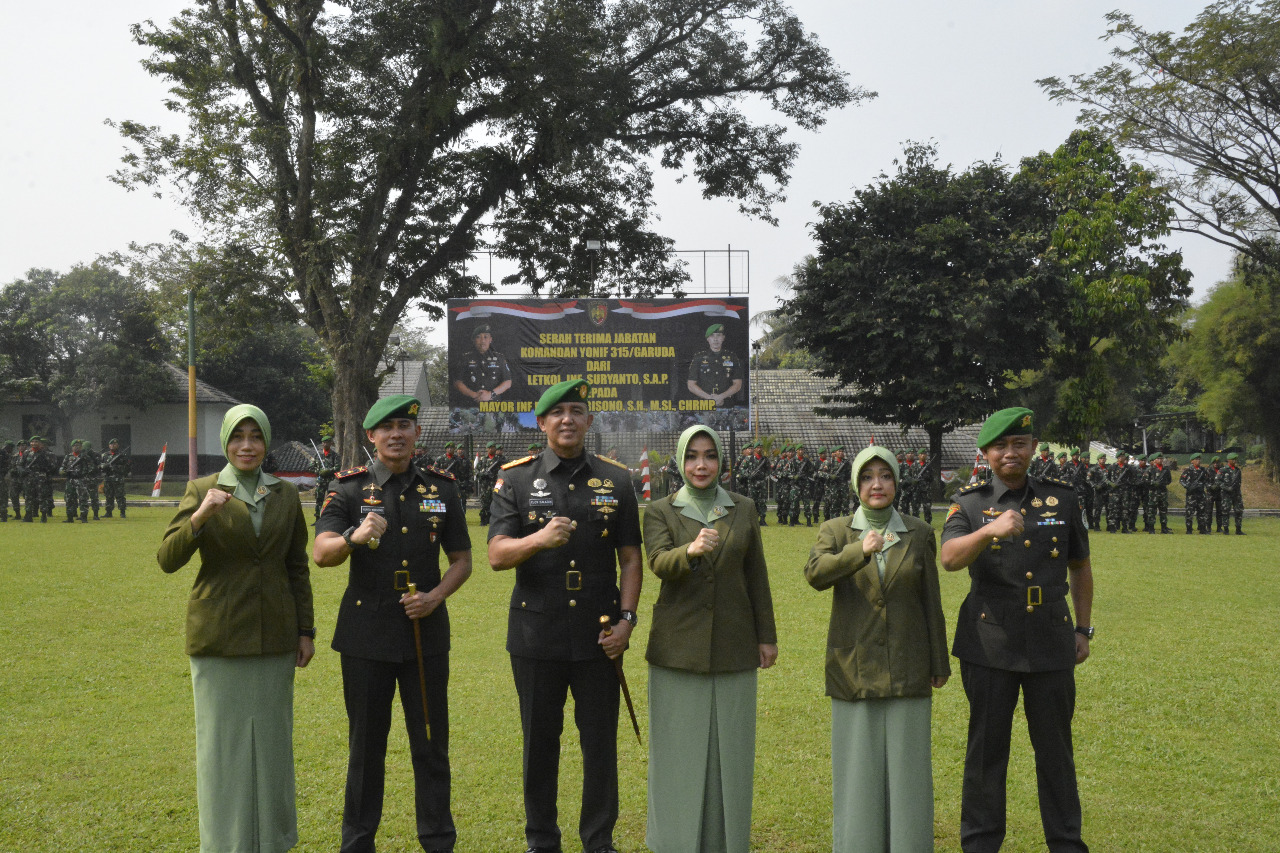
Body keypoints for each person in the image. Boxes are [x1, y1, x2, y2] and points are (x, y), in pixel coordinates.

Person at [487, 379, 642, 853]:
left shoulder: (616, 479)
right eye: (557, 412)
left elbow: (631, 559)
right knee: (540, 742)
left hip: (600, 634)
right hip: (537, 634)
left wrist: (627, 621)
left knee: (599, 744)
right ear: (542, 422)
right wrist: (537, 540)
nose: (567, 419)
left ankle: (599, 840)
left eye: (577, 410)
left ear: (589, 420)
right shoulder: (513, 478)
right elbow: (496, 554)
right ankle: (542, 840)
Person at [313, 395, 473, 853]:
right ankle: (358, 843)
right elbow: (321, 553)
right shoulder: (347, 489)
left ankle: (438, 841)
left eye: (405, 424)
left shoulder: (442, 489)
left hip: (425, 635)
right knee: (366, 749)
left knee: (430, 746)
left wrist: (436, 597)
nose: (396, 434)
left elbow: (462, 560)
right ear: (371, 436)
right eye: (387, 427)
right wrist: (353, 536)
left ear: (417, 433)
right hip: (366, 636)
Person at [157, 404, 316, 853]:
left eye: (256, 436)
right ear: (225, 442)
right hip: (219, 639)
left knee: (271, 748)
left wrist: (306, 631)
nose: (247, 445)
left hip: (275, 637)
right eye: (238, 436)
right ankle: (225, 843)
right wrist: (201, 515)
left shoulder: (285, 495)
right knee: (222, 751)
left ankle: (273, 841)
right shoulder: (203, 489)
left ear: (266, 442)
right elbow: (168, 559)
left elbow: (296, 567)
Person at [941, 408, 1093, 853]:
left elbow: (1080, 567)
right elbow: (949, 558)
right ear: (985, 453)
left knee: (1056, 753)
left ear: (1033, 448)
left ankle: (1066, 843)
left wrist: (1083, 628)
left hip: (1051, 640)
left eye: (1020, 444)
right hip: (990, 644)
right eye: (1001, 446)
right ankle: (981, 844)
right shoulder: (968, 502)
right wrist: (990, 530)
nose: (1011, 453)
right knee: (986, 753)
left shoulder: (1062, 498)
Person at [806, 445, 949, 853]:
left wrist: (938, 662)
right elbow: (815, 574)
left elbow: (930, 602)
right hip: (854, 668)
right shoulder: (836, 531)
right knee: (858, 772)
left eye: (885, 476)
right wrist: (859, 551)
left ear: (896, 482)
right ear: (856, 484)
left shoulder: (919, 532)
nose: (877, 485)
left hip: (909, 666)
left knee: (909, 773)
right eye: (867, 477)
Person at [642, 424, 778, 853]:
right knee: (677, 751)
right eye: (692, 456)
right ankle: (674, 840)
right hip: (677, 648)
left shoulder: (744, 507)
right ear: (680, 462)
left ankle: (727, 840)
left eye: (710, 455)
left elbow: (756, 575)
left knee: (731, 752)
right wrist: (690, 551)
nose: (701, 465)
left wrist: (766, 636)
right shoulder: (660, 510)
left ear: (721, 461)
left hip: (735, 645)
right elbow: (658, 561)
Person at [686, 324, 743, 408]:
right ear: (708, 339)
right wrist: (709, 398)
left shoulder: (732, 357)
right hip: (703, 405)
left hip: (726, 404)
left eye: (718, 335)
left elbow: (737, 384)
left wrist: (721, 397)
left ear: (723, 338)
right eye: (712, 336)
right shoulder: (699, 357)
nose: (715, 339)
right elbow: (691, 384)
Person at [453, 324, 513, 403]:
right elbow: (457, 382)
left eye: (485, 337)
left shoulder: (499, 358)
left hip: (494, 405)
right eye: (478, 337)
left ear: (490, 339)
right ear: (474, 340)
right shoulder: (465, 358)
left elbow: (508, 382)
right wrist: (474, 395)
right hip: (472, 404)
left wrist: (491, 394)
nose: (482, 341)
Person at [21, 435, 56, 523]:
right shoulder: (27, 453)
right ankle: (28, 515)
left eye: (36, 442)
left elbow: (52, 466)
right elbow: (20, 464)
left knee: (42, 496)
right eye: (32, 442)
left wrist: (44, 468)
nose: (34, 443)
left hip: (41, 477)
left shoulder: (45, 453)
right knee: (28, 497)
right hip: (29, 478)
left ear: (40, 443)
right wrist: (23, 471)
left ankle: (43, 515)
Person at [1180, 454, 1210, 534]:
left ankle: (1202, 529)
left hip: (1200, 494)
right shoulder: (1188, 471)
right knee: (1189, 512)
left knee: (1202, 512)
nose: (1198, 461)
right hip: (1191, 495)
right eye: (1196, 459)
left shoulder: (1203, 470)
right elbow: (1182, 480)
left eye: (1199, 459)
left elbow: (1207, 480)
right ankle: (1189, 529)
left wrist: (1202, 485)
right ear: (1192, 461)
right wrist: (1188, 486)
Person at [312, 432, 339, 521]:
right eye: (324, 442)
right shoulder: (318, 455)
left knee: (331, 499)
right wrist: (319, 472)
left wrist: (328, 471)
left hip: (331, 481)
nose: (325, 444)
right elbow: (311, 467)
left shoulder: (335, 455)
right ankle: (317, 518)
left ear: (331, 443)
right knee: (319, 499)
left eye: (328, 442)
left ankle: (330, 517)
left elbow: (337, 467)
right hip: (320, 481)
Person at [101, 438, 131, 517]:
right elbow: (99, 465)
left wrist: (116, 468)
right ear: (109, 445)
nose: (113, 445)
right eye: (111, 444)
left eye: (115, 444)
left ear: (118, 445)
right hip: (108, 478)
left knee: (120, 496)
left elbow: (127, 468)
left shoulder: (122, 456)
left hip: (118, 479)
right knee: (108, 496)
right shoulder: (105, 455)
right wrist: (103, 466)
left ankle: (122, 512)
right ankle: (108, 512)